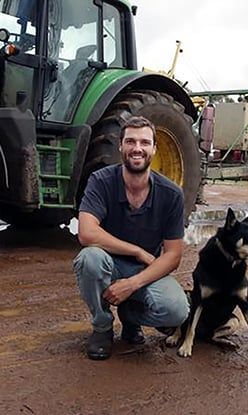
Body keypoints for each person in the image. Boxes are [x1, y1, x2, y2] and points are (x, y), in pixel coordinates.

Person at [73, 115, 190, 360]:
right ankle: (102, 326)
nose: (137, 149)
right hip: (110, 263)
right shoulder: (101, 181)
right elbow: (86, 232)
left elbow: (173, 255)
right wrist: (136, 251)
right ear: (121, 146)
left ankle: (130, 315)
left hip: (144, 272)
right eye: (131, 142)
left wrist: (131, 285)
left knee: (177, 310)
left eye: (145, 143)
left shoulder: (171, 194)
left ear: (154, 149)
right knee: (89, 259)